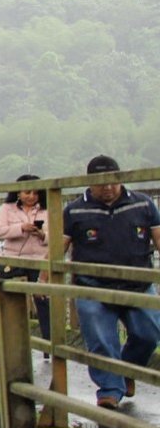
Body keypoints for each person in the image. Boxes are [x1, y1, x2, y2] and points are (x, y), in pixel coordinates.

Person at [62, 155, 160, 410]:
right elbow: (58, 247)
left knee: (149, 334)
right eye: (100, 183)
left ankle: (126, 371)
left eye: (112, 181)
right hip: (92, 286)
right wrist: (44, 276)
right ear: (89, 182)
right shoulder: (74, 210)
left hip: (138, 283)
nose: (107, 187)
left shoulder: (143, 204)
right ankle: (110, 390)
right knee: (101, 340)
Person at [0, 173, 51, 357]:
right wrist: (21, 228)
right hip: (14, 259)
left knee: (44, 303)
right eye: (27, 192)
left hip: (40, 259)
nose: (31, 196)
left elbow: (59, 236)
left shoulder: (48, 209)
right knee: (11, 301)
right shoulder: (7, 208)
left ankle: (49, 347)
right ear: (18, 193)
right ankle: (11, 346)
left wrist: (42, 234)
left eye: (35, 193)